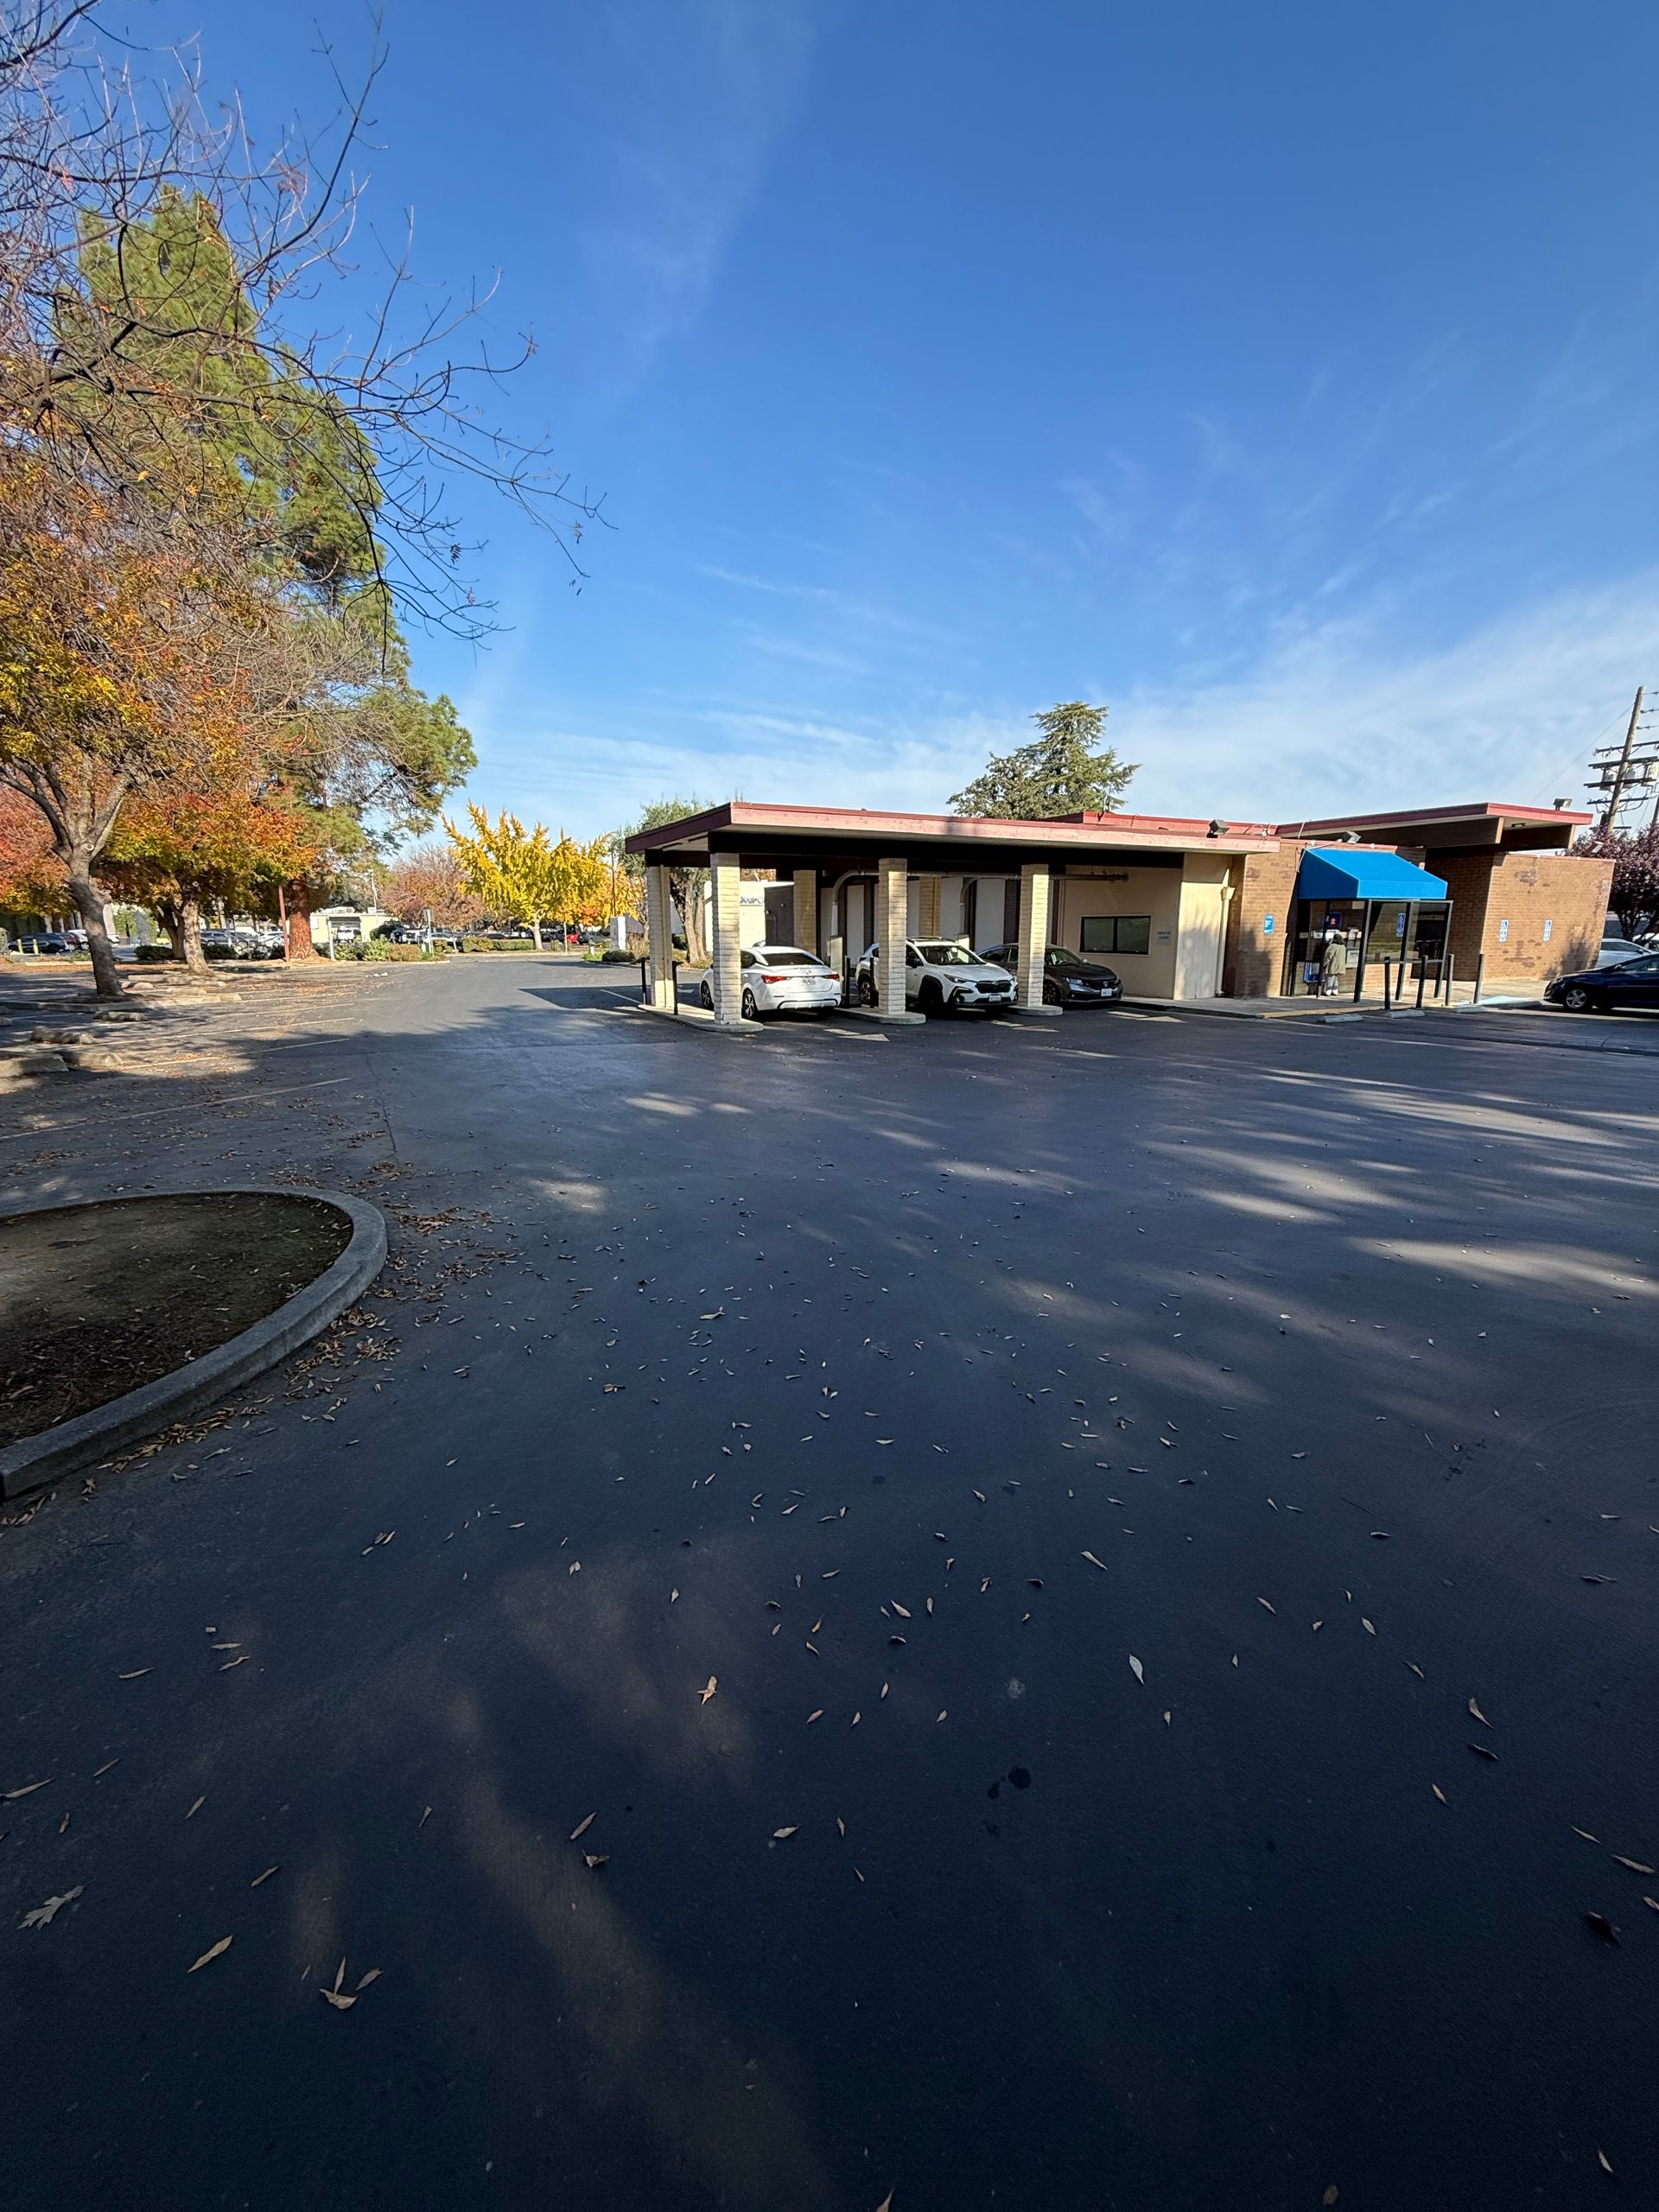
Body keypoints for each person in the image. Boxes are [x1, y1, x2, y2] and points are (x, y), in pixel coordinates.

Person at [1320, 925, 1349, 997]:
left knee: (1330, 977)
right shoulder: (1343, 947)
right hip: (1340, 965)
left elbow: (1328, 956)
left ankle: (1328, 991)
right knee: (1336, 978)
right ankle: (1335, 991)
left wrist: (1324, 964)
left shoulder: (1332, 946)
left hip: (1333, 964)